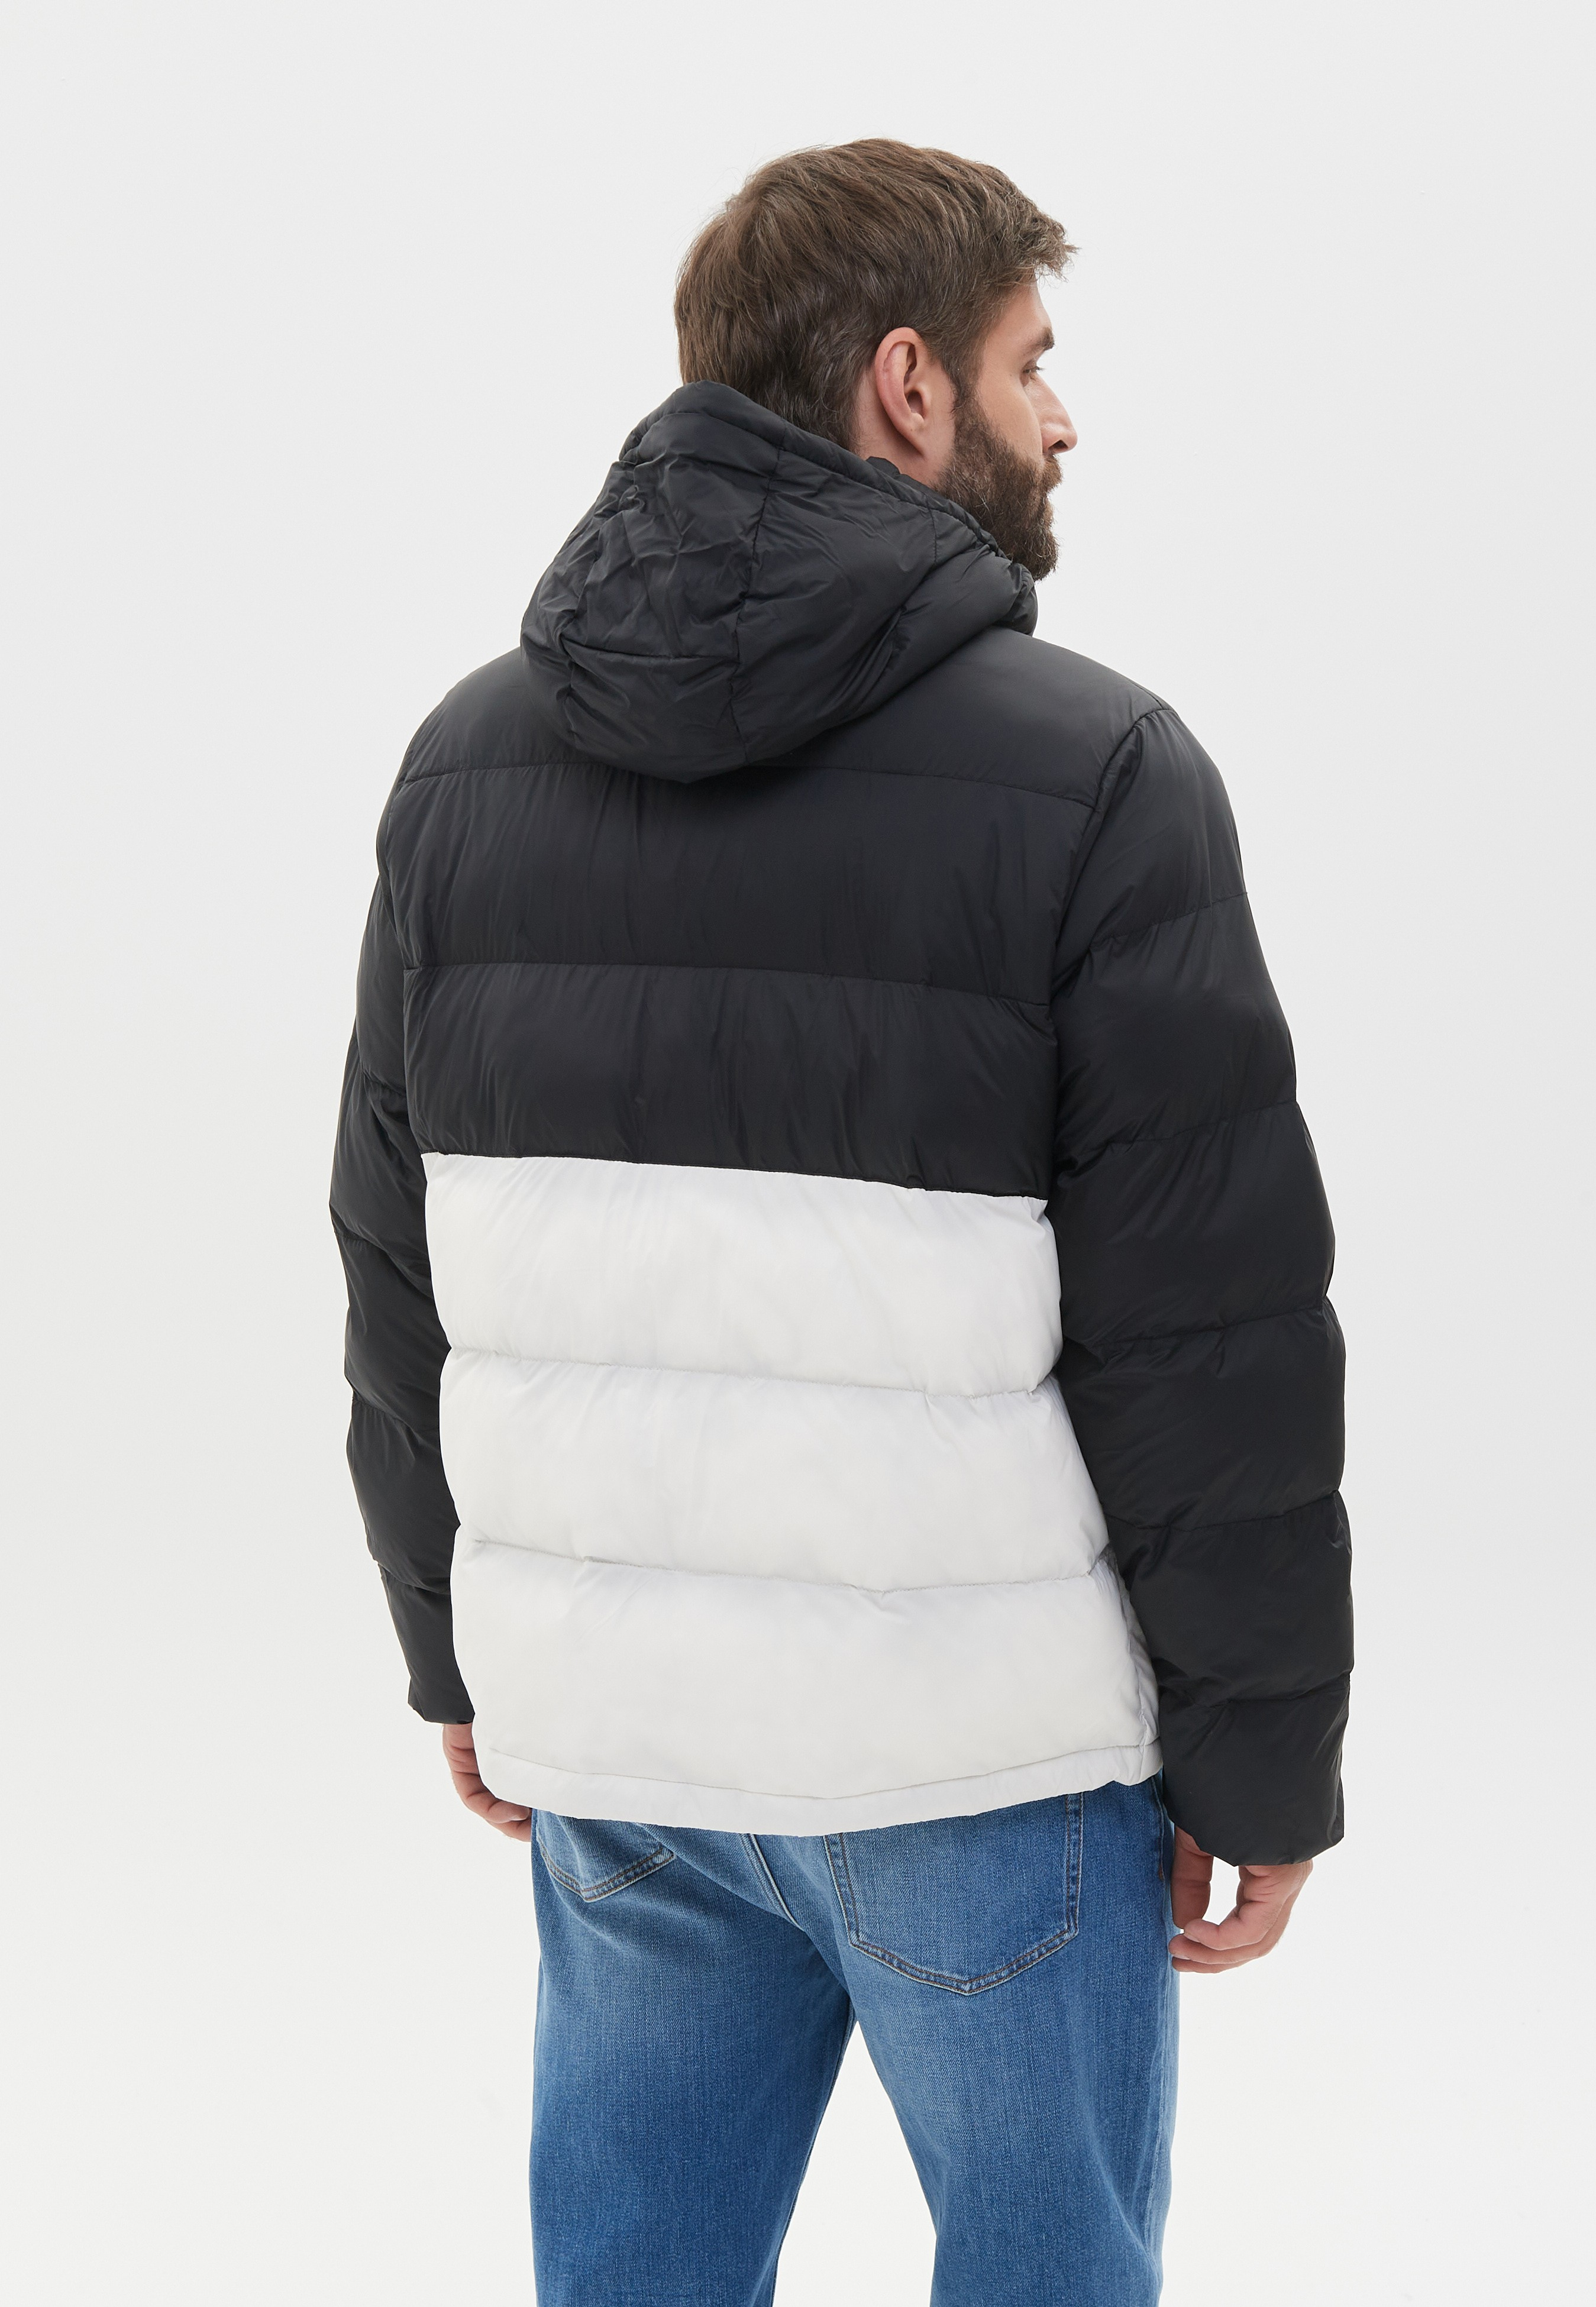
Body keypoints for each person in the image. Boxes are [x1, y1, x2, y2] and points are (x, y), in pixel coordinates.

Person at [331, 138, 1352, 2306]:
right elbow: (1209, 1335)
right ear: (906, 383)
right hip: (976, 1761)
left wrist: (456, 1648)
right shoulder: (1097, 773)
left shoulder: (464, 766)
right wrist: (1259, 1758)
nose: (1061, 417)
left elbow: (395, 1265)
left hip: (624, 1752)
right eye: (1027, 362)